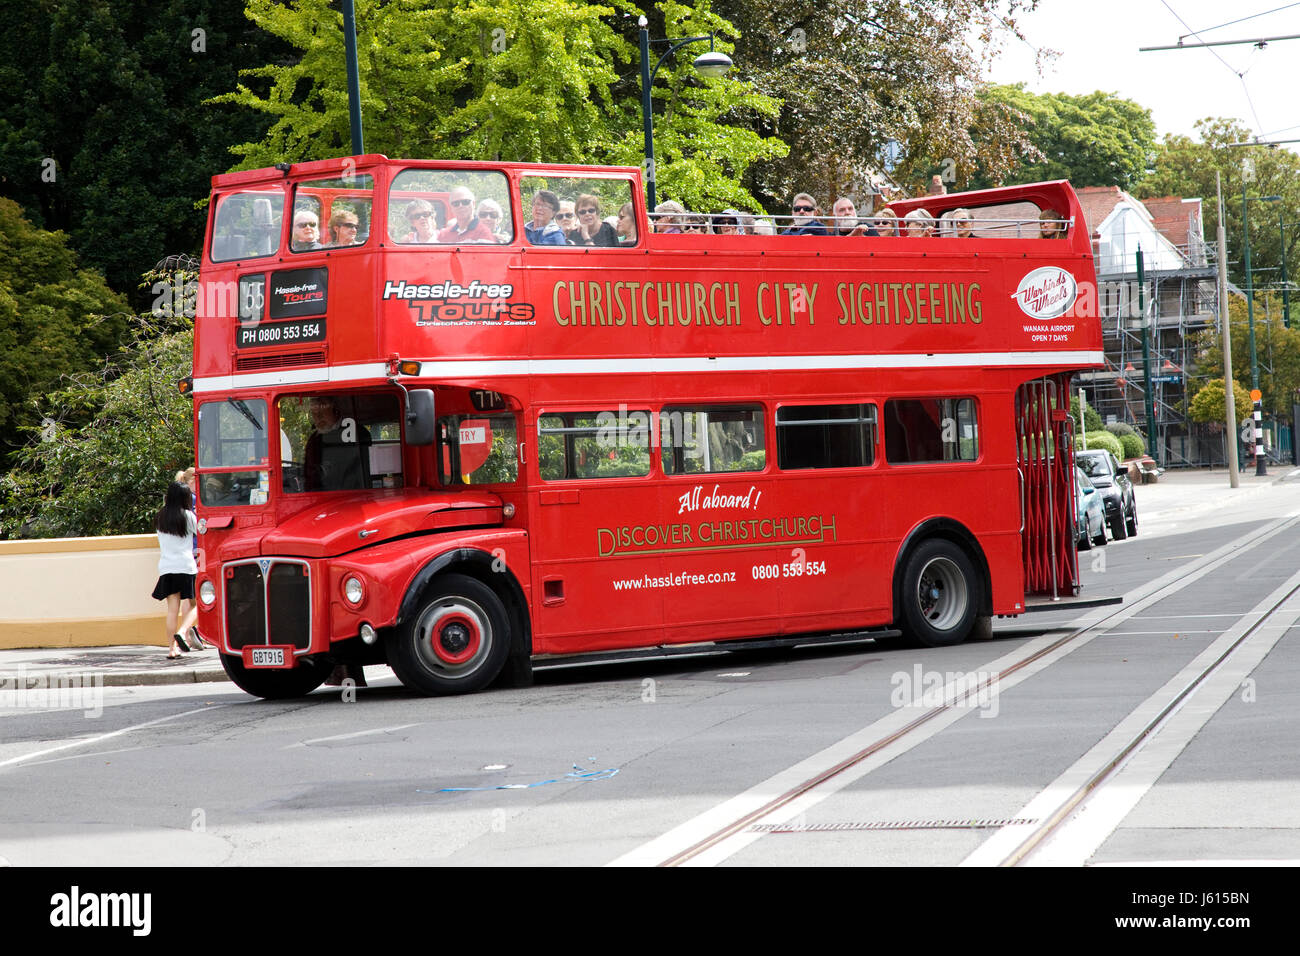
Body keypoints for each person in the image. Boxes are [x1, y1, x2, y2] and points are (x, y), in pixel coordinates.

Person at [151, 481, 200, 659]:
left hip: (167, 567)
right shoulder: (188, 516)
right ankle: (183, 630)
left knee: (173, 610)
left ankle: (172, 649)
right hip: (186, 566)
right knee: (197, 605)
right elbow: (202, 532)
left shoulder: (160, 517)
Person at [303, 396, 372, 491]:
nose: (318, 417)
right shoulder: (314, 440)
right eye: (314, 413)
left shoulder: (358, 433)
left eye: (323, 411)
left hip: (354, 494)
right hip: (321, 495)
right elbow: (309, 475)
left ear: (336, 410)